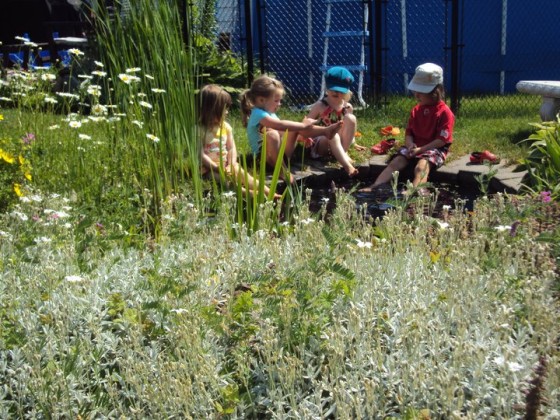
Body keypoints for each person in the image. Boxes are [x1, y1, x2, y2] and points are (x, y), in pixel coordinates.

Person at [360, 63, 455, 193]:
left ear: (435, 92)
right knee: (396, 162)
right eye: (415, 91)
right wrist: (410, 145)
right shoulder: (416, 110)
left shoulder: (445, 113)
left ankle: (415, 191)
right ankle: (376, 185)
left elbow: (441, 141)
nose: (416, 95)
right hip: (415, 146)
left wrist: (421, 149)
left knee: (421, 166)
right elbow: (409, 133)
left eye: (421, 92)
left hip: (434, 148)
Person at [240, 75, 342, 183]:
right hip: (264, 160)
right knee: (272, 134)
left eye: (280, 100)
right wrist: (303, 126)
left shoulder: (270, 114)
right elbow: (280, 125)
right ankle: (282, 171)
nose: (279, 104)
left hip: (281, 156)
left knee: (293, 128)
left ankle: (325, 131)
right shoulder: (257, 113)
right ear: (261, 100)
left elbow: (283, 132)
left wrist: (301, 136)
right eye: (276, 101)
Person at [198, 84, 280, 199]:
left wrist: (231, 163)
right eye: (224, 109)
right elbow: (200, 154)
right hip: (208, 169)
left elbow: (231, 148)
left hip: (228, 165)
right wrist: (216, 168)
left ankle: (270, 193)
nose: (227, 112)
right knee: (226, 182)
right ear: (211, 110)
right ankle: (251, 194)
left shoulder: (225, 127)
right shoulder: (198, 130)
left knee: (247, 178)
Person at [300, 66, 365, 176]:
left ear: (346, 92)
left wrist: (353, 142)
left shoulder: (347, 107)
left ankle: (342, 153)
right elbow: (305, 125)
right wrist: (305, 137)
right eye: (333, 89)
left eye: (340, 91)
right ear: (327, 87)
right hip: (322, 143)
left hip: (339, 142)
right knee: (331, 135)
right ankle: (345, 161)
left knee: (351, 118)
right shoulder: (320, 106)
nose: (336, 92)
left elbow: (349, 129)